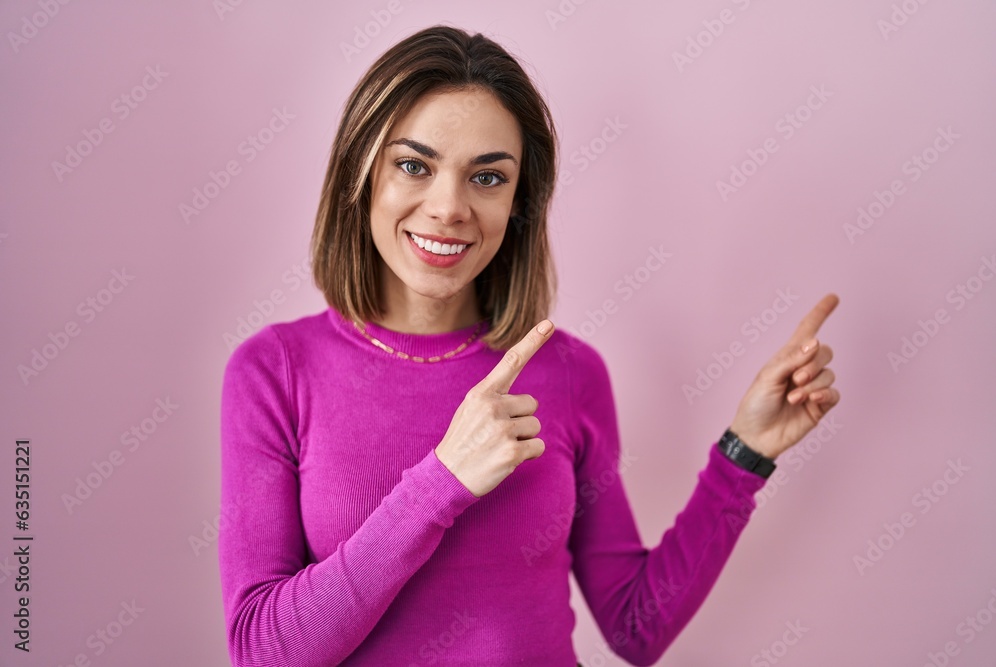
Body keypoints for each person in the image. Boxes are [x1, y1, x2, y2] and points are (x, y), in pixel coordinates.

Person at [218, 24, 841, 667]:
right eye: (413, 165)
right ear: (362, 171)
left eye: (487, 178)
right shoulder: (274, 372)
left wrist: (747, 452)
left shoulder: (569, 373)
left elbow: (636, 626)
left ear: (519, 201)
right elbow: (265, 654)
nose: (449, 207)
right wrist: (442, 482)